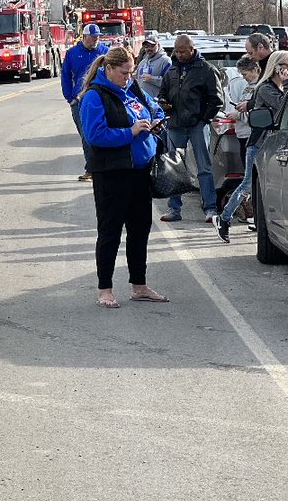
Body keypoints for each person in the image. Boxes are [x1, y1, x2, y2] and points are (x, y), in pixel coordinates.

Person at [79, 45, 169, 308]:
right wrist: (129, 132)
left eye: (131, 72)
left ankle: (139, 285)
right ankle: (105, 289)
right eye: (123, 73)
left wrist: (155, 122)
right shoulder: (94, 96)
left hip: (140, 171)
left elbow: (156, 110)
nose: (128, 78)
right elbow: (95, 135)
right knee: (110, 231)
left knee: (140, 229)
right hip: (112, 174)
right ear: (108, 69)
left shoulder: (134, 90)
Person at [213, 50, 288, 242]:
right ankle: (224, 218)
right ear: (277, 67)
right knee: (248, 183)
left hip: (273, 145)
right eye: (286, 66)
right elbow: (282, 106)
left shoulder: (277, 88)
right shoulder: (266, 88)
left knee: (262, 187)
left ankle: (260, 221)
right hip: (259, 144)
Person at [158, 33, 224, 223]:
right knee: (174, 167)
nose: (178, 55)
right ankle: (174, 209)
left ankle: (210, 208)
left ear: (192, 49)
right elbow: (163, 93)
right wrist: (163, 103)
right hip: (175, 124)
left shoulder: (206, 70)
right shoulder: (172, 71)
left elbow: (216, 100)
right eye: (176, 51)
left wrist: (203, 120)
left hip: (197, 125)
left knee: (204, 167)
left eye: (182, 51)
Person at [61, 22, 109, 180]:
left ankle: (101, 168)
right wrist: (70, 98)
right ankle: (91, 169)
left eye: (97, 37)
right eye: (93, 37)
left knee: (101, 132)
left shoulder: (104, 51)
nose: (96, 40)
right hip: (79, 101)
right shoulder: (73, 53)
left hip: (100, 98)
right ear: (85, 36)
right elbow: (66, 76)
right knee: (85, 135)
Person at [225, 54, 261, 170]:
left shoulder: (261, 88)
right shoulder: (247, 86)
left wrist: (238, 115)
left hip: (252, 135)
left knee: (251, 173)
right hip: (243, 134)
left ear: (255, 70)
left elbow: (256, 113)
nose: (243, 77)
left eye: (245, 74)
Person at [135, 32, 172, 101]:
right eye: (146, 46)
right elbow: (137, 79)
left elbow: (169, 83)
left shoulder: (165, 61)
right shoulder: (143, 62)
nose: (149, 49)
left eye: (152, 46)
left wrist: (152, 79)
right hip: (143, 102)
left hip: (157, 103)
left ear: (158, 45)